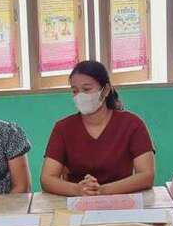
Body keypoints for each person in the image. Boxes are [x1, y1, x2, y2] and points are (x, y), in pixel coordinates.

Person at [41, 61, 155, 196]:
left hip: (121, 200)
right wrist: (78, 190)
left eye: (86, 89)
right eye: (75, 91)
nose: (80, 96)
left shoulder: (132, 124)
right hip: (78, 202)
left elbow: (146, 176)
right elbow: (47, 179)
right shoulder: (63, 128)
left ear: (105, 90)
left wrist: (102, 190)